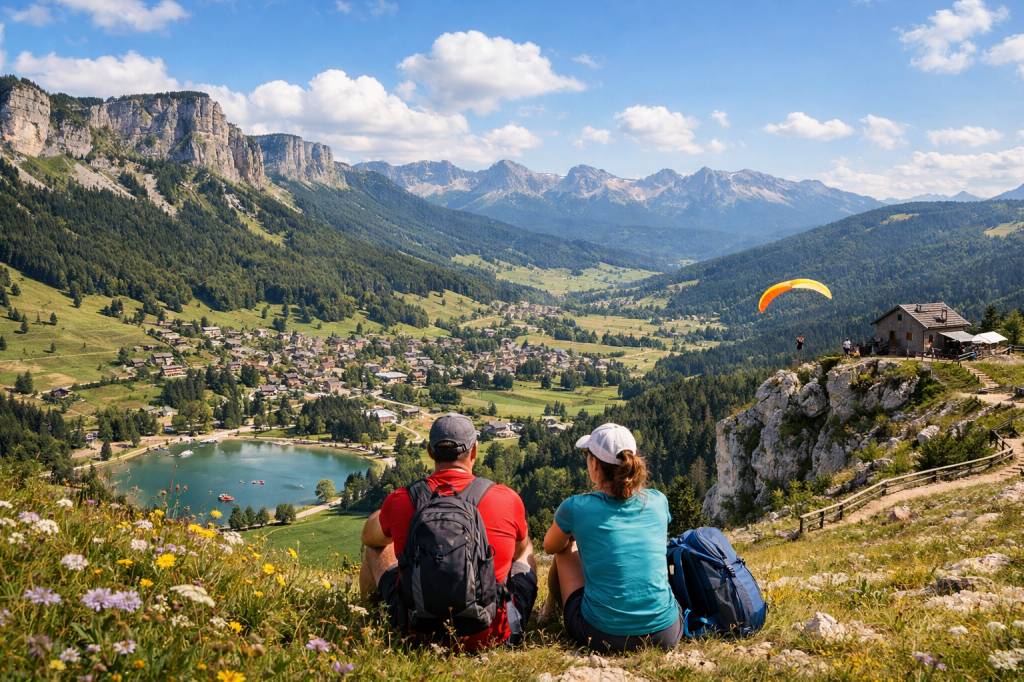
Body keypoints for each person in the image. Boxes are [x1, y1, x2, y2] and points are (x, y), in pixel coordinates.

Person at [359, 413, 537, 651]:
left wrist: (386, 514)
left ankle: (372, 620)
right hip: (489, 636)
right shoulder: (505, 498)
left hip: (417, 633)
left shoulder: (402, 499)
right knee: (526, 548)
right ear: (474, 451)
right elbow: (518, 551)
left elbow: (369, 538)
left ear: (430, 452)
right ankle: (518, 624)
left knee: (375, 549)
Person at [541, 423, 682, 652]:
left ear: (595, 464)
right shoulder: (658, 500)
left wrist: (576, 536)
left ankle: (551, 613)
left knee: (564, 549)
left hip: (601, 635)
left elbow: (549, 546)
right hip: (665, 633)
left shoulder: (576, 507)